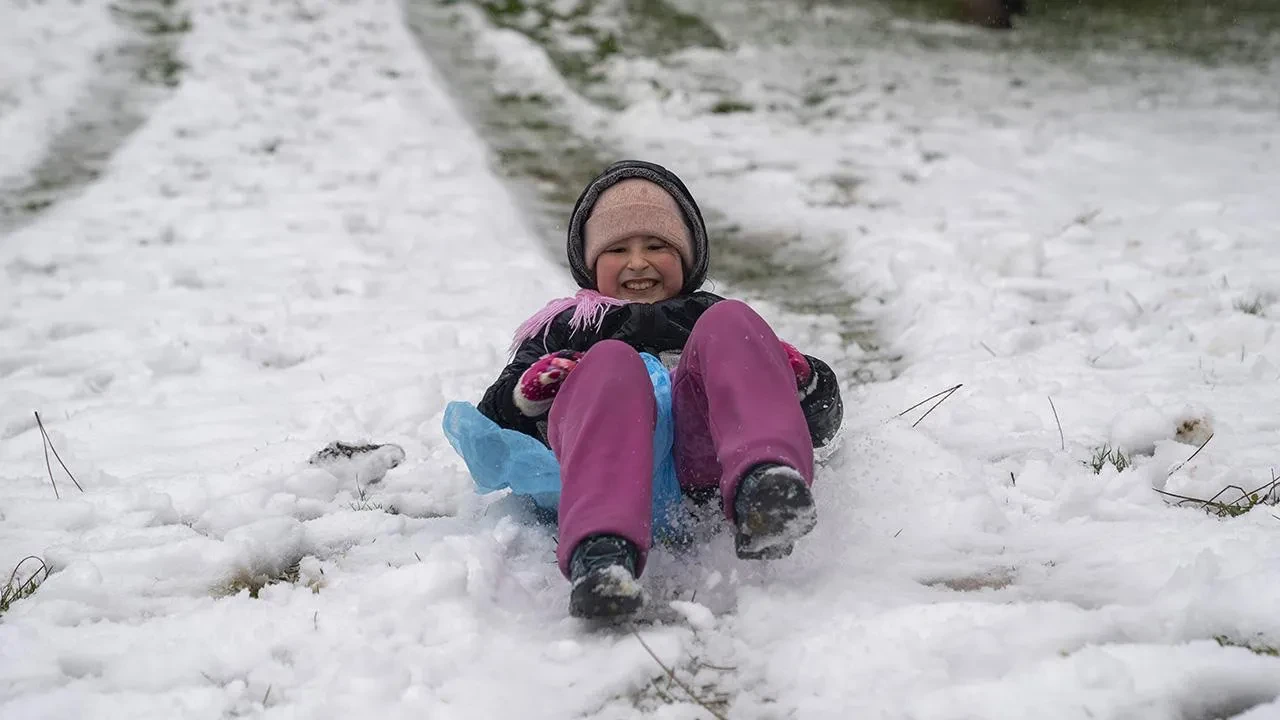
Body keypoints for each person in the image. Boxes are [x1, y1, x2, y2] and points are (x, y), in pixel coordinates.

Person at [477, 160, 843, 619]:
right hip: (608, 470)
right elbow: (491, 426)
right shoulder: (565, 328)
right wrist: (526, 397)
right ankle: (602, 557)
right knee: (609, 362)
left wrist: (804, 381)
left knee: (734, 323)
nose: (638, 262)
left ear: (688, 257)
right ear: (589, 263)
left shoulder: (713, 319)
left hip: (704, 473)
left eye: (657, 245)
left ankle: (764, 489)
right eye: (616, 250)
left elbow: (822, 421)